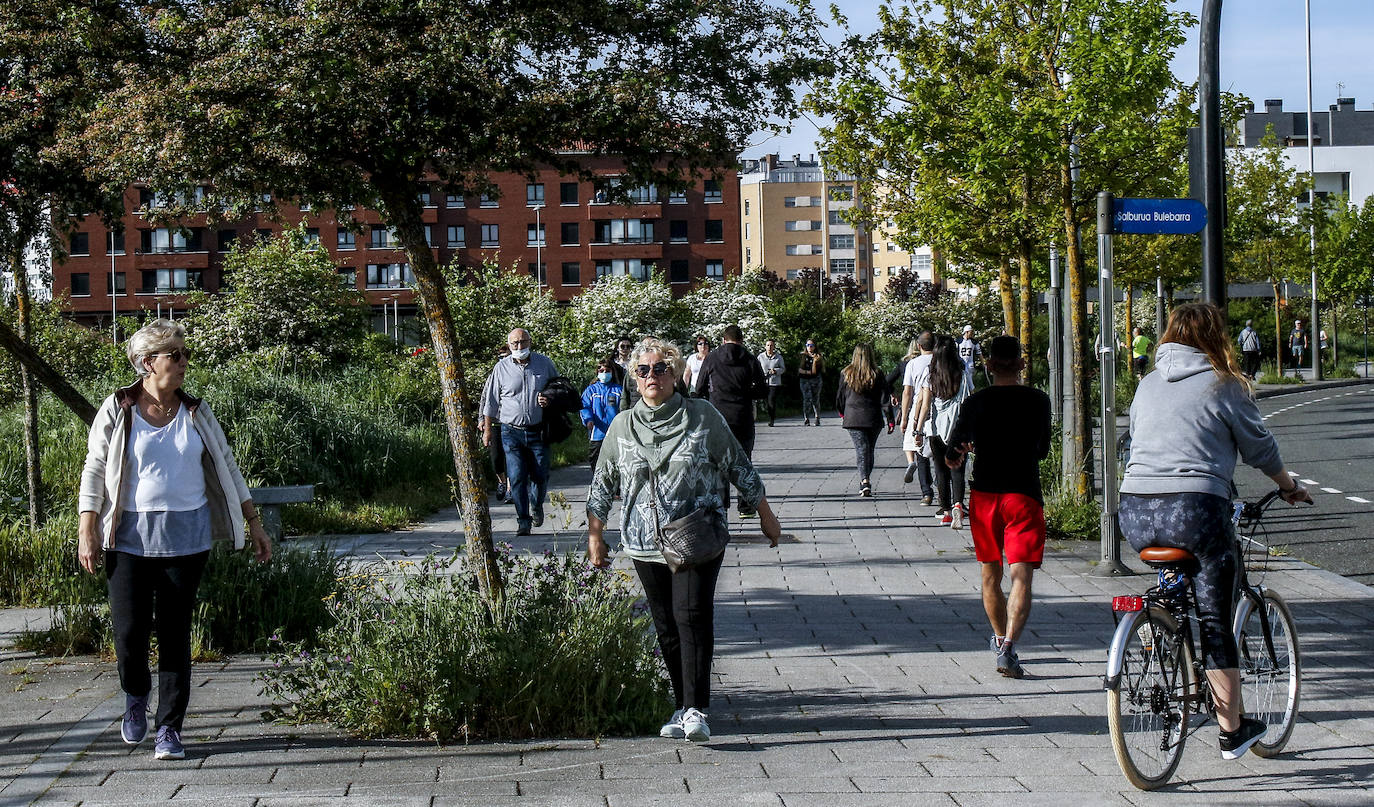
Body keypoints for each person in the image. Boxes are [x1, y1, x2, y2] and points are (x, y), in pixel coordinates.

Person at [1118, 302, 1312, 760]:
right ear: (1216, 337)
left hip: (1135, 512)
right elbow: (1259, 447)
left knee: (1178, 574)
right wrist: (1288, 486)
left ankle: (1158, 631)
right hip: (1196, 508)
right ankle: (1231, 730)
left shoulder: (1146, 384)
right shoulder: (1225, 384)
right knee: (1214, 617)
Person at [77, 319, 272, 761]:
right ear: (148, 363)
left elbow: (228, 466)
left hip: (188, 536)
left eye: (185, 355)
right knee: (129, 632)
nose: (184, 363)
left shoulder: (197, 412)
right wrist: (87, 527)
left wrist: (253, 523)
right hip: (127, 538)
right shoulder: (119, 407)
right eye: (175, 355)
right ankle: (134, 695)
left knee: (174, 633)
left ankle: (170, 728)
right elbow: (94, 469)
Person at [587, 338, 783, 744]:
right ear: (634, 379)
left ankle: (696, 708)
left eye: (660, 369)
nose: (652, 376)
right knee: (666, 625)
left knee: (691, 614)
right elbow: (602, 483)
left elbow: (737, 465)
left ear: (675, 374)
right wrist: (596, 535)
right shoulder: (622, 426)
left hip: (696, 536)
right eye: (643, 370)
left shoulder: (702, 417)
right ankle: (681, 705)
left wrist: (765, 514)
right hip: (644, 542)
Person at [944, 335, 1051, 680]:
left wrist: (959, 454)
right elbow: (1042, 450)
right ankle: (1008, 649)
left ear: (988, 366)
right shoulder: (1039, 400)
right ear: (1021, 364)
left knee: (991, 575)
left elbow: (953, 450)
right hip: (1023, 495)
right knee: (1022, 577)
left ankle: (999, 636)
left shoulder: (976, 402)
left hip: (986, 496)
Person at [481, 328, 559, 536]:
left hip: (538, 430)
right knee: (516, 477)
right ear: (509, 345)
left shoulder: (544, 363)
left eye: (523, 342)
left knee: (540, 474)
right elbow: (491, 401)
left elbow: (560, 389)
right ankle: (523, 520)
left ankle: (536, 505)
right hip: (511, 431)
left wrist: (550, 398)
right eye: (514, 343)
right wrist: (487, 429)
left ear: (530, 342)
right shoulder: (501, 368)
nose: (519, 347)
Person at [695, 325, 767, 516]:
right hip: (742, 417)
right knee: (744, 462)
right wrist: (744, 393)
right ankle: (746, 507)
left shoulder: (712, 358)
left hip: (718, 417)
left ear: (723, 340)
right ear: (741, 340)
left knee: (718, 463)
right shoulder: (750, 358)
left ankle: (721, 504)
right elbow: (763, 390)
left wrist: (712, 397)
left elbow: (699, 387)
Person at [915, 336, 971, 528]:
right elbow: (969, 399)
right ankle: (958, 504)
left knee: (940, 469)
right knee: (957, 468)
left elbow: (925, 403)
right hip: (958, 428)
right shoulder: (962, 373)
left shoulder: (930, 374)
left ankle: (946, 511)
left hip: (935, 429)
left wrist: (918, 428)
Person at [835, 344, 894, 497]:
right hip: (872, 417)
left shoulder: (846, 373)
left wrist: (842, 412)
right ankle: (865, 480)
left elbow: (840, 396)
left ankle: (865, 480)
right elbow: (885, 398)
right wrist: (890, 419)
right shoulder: (877, 374)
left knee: (862, 449)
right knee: (868, 450)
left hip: (853, 417)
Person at [899, 331, 936, 505]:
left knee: (920, 451)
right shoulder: (941, 361)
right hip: (940, 408)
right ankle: (947, 491)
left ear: (919, 346)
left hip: (919, 408)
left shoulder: (913, 363)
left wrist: (904, 417)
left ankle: (926, 492)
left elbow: (908, 391)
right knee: (939, 451)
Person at [480, 344, 513, 503]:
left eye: (506, 356)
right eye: (500, 357)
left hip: (512, 423)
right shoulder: (494, 375)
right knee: (496, 459)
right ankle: (501, 481)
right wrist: (482, 420)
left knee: (512, 458)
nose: (503, 359)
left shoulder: (515, 374)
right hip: (495, 423)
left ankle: (510, 489)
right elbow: (485, 399)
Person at [580, 358, 623, 470]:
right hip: (597, 435)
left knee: (615, 464)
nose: (604, 373)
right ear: (597, 373)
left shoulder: (618, 390)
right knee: (596, 463)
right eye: (601, 371)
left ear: (612, 372)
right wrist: (588, 419)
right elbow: (584, 407)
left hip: (615, 434)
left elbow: (624, 409)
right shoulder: (591, 390)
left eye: (607, 371)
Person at [757, 338, 785, 427]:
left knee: (771, 401)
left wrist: (776, 371)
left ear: (774, 347)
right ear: (765, 346)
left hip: (774, 383)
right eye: (768, 345)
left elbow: (783, 369)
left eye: (771, 345)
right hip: (763, 382)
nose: (769, 347)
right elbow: (756, 368)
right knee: (765, 402)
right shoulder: (760, 357)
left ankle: (771, 419)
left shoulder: (779, 357)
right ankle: (764, 415)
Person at [798, 339, 824, 425]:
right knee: (806, 399)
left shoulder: (818, 357)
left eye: (811, 345)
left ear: (814, 346)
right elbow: (799, 370)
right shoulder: (802, 356)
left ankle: (817, 417)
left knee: (815, 399)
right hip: (804, 380)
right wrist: (806, 372)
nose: (809, 347)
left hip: (816, 380)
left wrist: (813, 363)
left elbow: (815, 372)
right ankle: (806, 418)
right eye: (808, 345)